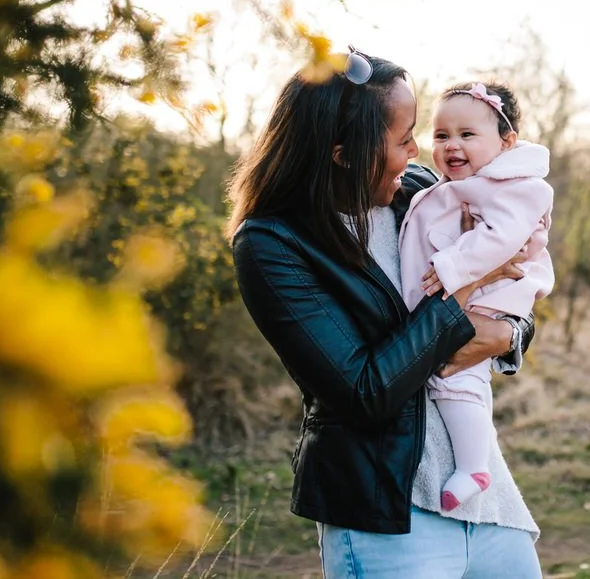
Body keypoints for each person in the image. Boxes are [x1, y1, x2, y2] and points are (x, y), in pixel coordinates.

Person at [227, 46, 543, 578]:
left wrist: (510, 334)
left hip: (487, 501)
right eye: (403, 140)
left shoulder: (420, 193)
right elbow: (364, 392)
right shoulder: (273, 246)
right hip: (390, 518)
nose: (418, 152)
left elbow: (510, 285)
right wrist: (464, 284)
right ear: (344, 154)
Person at [398, 81, 555, 512]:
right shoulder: (450, 185)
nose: (452, 145)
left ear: (506, 142)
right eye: (442, 135)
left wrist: (453, 266)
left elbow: (504, 239)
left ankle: (473, 467)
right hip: (462, 297)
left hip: (490, 297)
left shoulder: (515, 185)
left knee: (457, 377)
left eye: (467, 135)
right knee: (459, 374)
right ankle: (474, 459)